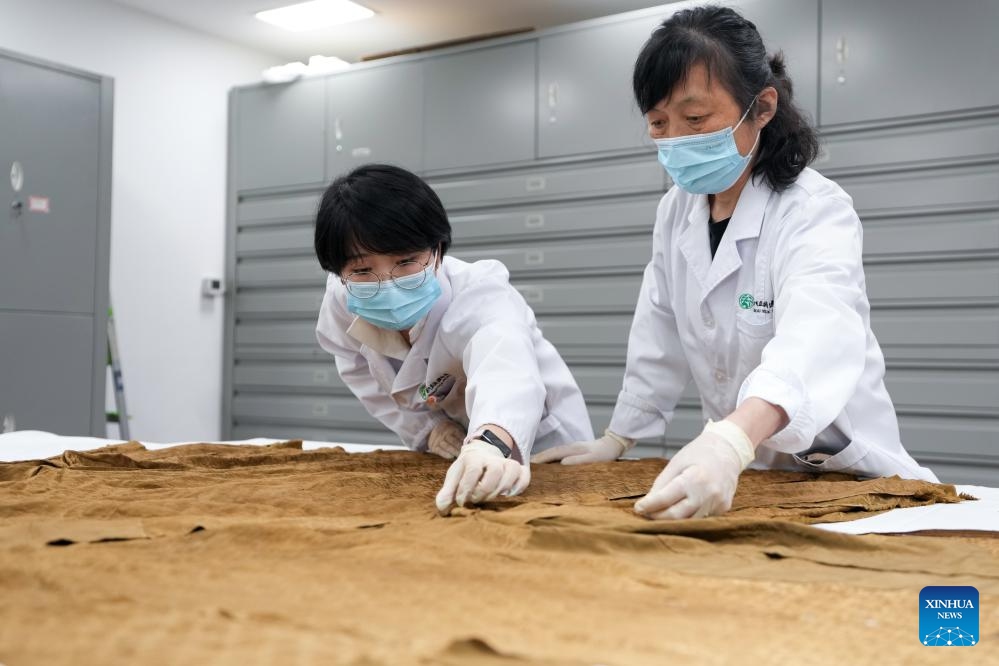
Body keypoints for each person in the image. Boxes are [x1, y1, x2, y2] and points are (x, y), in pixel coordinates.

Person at [533, 5, 938, 519]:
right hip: (750, 478)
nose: (676, 138)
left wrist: (731, 440)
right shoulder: (676, 210)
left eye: (696, 118)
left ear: (762, 107)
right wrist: (619, 437)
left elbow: (814, 340)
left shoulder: (815, 211)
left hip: (843, 472)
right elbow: (658, 333)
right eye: (659, 123)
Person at [314, 164, 593, 515]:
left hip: (540, 440)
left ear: (438, 250)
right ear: (338, 271)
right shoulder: (344, 299)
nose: (387, 282)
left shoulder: (479, 294)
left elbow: (506, 368)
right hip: (453, 449)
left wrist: (489, 444)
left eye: (406, 261)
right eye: (361, 269)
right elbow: (356, 368)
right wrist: (427, 430)